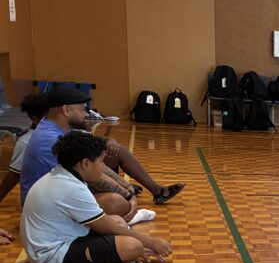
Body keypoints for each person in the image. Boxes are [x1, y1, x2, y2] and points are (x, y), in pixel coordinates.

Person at [21, 130, 172, 263]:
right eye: (101, 162)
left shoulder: (64, 174)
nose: (103, 167)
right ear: (86, 164)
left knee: (118, 221)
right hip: (52, 257)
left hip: (63, 238)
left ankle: (111, 259)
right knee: (133, 246)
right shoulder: (72, 189)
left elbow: (109, 224)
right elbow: (106, 227)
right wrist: (150, 242)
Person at [20, 86, 184, 209]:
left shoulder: (56, 127)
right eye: (82, 110)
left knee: (115, 153)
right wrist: (127, 195)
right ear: (66, 110)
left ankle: (157, 191)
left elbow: (95, 154)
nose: (86, 114)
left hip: (59, 192)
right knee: (116, 202)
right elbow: (94, 175)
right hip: (43, 205)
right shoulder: (50, 138)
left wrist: (125, 187)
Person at [0, 93, 49, 205]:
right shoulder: (26, 142)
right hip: (37, 202)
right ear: (35, 119)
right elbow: (13, 175)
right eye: (48, 117)